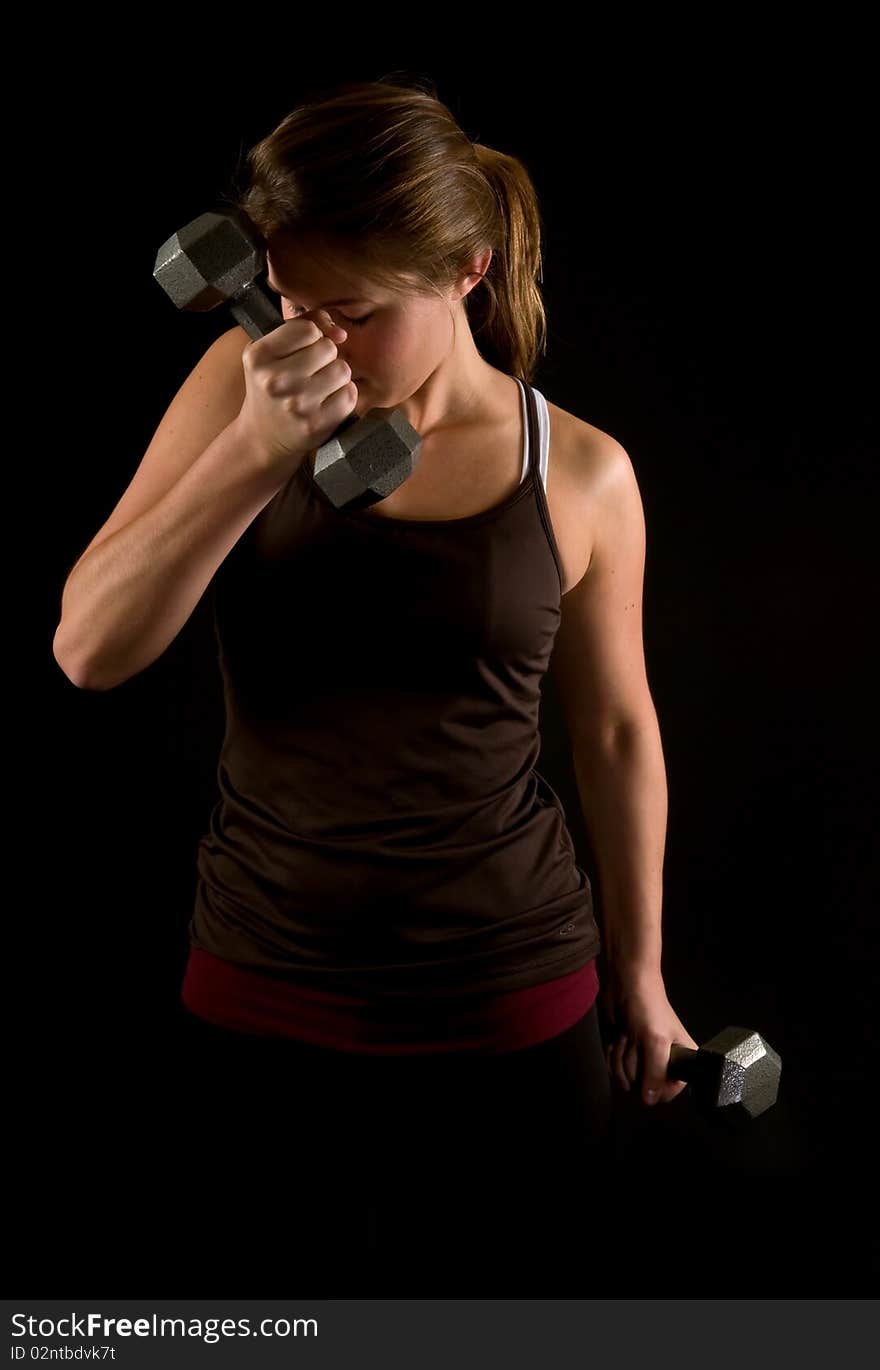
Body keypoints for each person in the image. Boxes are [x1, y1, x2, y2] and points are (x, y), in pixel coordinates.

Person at [53, 74, 699, 1295]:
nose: (311, 346)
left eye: (350, 313)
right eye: (288, 306)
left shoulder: (583, 474)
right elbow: (90, 647)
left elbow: (615, 732)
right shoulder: (243, 387)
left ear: (464, 267)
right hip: (259, 992)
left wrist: (642, 970)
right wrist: (255, 449)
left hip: (510, 1007)